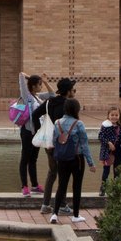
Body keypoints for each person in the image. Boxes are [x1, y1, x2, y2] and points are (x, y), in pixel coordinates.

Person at [46, 99, 96, 223]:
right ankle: (76, 215)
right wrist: (91, 163)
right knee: (76, 186)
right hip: (77, 159)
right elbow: (84, 145)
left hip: (62, 159)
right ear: (76, 109)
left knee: (61, 186)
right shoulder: (79, 124)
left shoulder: (57, 123)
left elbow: (53, 142)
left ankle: (54, 214)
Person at [39, 77, 75, 214]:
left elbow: (35, 114)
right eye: (73, 89)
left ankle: (45, 205)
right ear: (68, 91)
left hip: (49, 144)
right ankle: (62, 206)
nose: (74, 92)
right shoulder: (69, 104)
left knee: (52, 173)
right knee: (63, 174)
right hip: (63, 144)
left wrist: (42, 131)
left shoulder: (50, 102)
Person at [15, 72, 48, 197]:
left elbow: (52, 95)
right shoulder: (26, 96)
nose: (41, 87)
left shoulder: (38, 97)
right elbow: (21, 76)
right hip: (27, 132)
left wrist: (44, 81)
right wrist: (31, 78)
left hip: (37, 132)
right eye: (39, 85)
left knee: (33, 159)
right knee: (25, 159)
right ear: (33, 86)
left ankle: (34, 185)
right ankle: (24, 186)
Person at [98, 107, 121, 195]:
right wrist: (108, 143)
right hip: (108, 152)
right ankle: (103, 188)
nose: (114, 117)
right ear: (108, 116)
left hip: (119, 151)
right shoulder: (105, 126)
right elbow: (100, 137)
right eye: (112, 115)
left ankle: (115, 189)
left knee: (117, 171)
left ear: (119, 116)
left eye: (116, 115)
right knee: (106, 171)